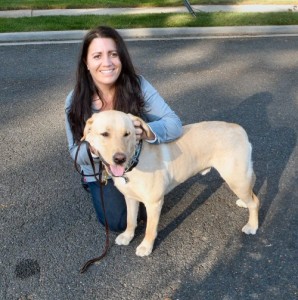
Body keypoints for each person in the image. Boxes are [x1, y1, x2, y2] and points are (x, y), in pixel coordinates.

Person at [65, 26, 183, 232]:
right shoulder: (74, 101)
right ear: (86, 62)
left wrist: (144, 131)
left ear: (122, 58)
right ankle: (91, 183)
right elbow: (75, 151)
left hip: (136, 160)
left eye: (113, 54)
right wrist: (94, 149)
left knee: (150, 205)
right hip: (99, 170)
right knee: (118, 221)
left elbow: (174, 124)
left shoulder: (139, 86)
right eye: (97, 56)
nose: (107, 63)